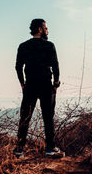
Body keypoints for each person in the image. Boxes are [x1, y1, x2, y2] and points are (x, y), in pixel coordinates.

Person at [13, 18, 64, 158]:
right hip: (46, 85)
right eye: (46, 28)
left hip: (30, 85)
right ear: (40, 29)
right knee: (48, 117)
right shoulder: (49, 46)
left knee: (25, 117)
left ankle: (19, 149)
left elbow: (18, 67)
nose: (48, 30)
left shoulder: (23, 46)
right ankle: (50, 148)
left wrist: (22, 83)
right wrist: (56, 84)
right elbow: (56, 66)